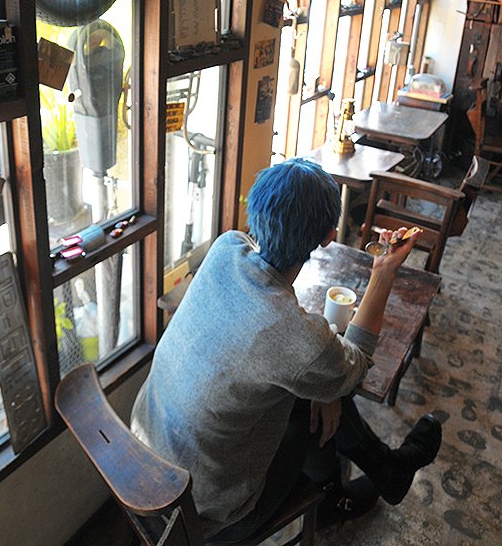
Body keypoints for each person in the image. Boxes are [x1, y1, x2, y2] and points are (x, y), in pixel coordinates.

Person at [131, 158, 441, 542]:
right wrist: (384, 271)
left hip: (145, 459)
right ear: (328, 236)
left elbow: (289, 348)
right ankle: (338, 499)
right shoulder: (299, 339)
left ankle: (384, 471)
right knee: (318, 405)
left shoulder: (226, 248)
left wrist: (325, 384)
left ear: (254, 211)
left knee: (318, 387)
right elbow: (357, 364)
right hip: (205, 512)